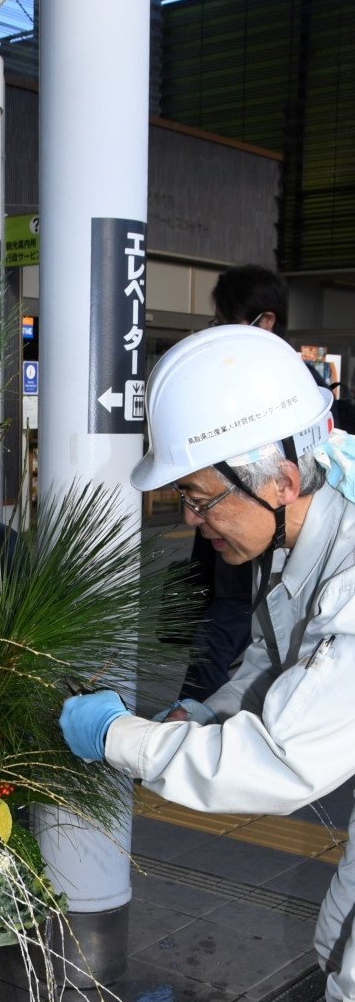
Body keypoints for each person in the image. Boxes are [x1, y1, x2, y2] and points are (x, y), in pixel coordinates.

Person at [58, 325, 355, 1002]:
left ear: (272, 471)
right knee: (339, 943)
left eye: (199, 496)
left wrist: (123, 742)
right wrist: (192, 717)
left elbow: (281, 758)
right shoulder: (319, 506)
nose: (196, 522)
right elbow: (275, 669)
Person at [179, 265, 296, 701]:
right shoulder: (224, 383)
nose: (217, 332)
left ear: (264, 321)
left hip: (258, 557)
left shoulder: (293, 390)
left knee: (229, 637)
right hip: (235, 554)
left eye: (223, 320)